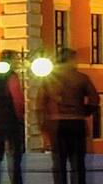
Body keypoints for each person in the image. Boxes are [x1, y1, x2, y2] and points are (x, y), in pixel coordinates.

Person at [41, 48, 98, 184]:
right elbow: (95, 99)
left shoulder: (48, 80)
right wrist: (85, 111)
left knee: (58, 164)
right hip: (76, 122)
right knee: (77, 163)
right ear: (71, 60)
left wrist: (44, 123)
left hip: (56, 124)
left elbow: (41, 102)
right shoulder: (81, 78)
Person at [0, 50, 26, 184]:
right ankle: (16, 182)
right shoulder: (12, 77)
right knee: (15, 156)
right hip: (12, 120)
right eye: (15, 60)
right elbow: (17, 99)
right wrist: (20, 117)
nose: (17, 62)